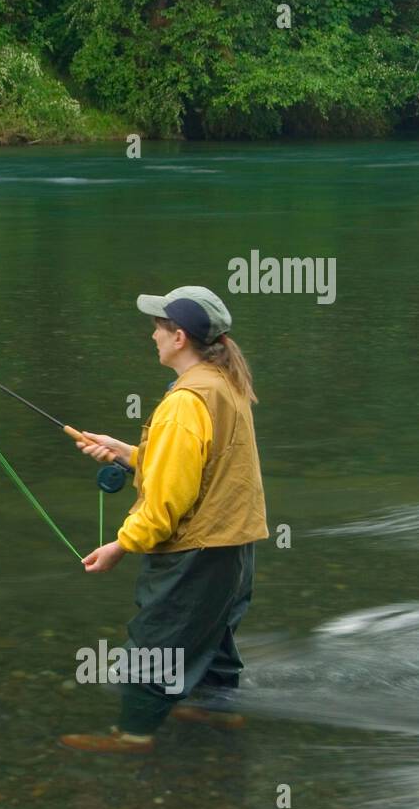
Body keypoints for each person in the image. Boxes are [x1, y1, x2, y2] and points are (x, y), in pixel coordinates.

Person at [60, 285, 268, 754]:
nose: (151, 335)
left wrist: (121, 545)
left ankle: (132, 737)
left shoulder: (183, 404)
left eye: (158, 327)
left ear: (178, 338)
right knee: (213, 637)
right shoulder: (222, 383)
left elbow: (166, 504)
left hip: (195, 551)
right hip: (233, 546)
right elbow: (201, 466)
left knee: (154, 644)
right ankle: (217, 715)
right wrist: (129, 453)